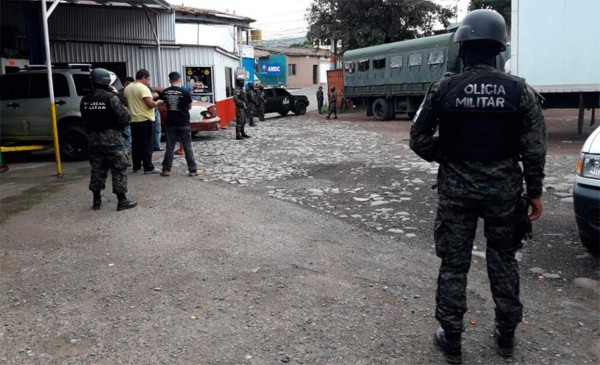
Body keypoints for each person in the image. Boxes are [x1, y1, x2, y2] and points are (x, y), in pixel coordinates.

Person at [408, 9, 547, 364]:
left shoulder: (443, 89)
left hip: (456, 192)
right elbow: (534, 148)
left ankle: (451, 339)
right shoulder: (521, 92)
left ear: (464, 47)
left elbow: (419, 138)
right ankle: (505, 335)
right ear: (499, 48)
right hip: (504, 193)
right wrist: (535, 192)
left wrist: (450, 156)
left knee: (454, 265)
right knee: (504, 261)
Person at [80, 68, 137, 211]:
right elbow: (126, 118)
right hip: (112, 141)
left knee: (97, 169)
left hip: (94, 141)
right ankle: (122, 201)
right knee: (118, 169)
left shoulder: (85, 100)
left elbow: (84, 121)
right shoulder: (111, 98)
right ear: (106, 81)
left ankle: (96, 201)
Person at [158, 71, 199, 177]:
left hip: (170, 122)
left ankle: (166, 169)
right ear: (179, 79)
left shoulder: (165, 92)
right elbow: (189, 107)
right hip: (184, 122)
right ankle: (192, 170)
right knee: (187, 147)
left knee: (170, 147)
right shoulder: (184, 92)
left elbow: (163, 103)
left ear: (169, 80)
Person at [123, 69, 163, 174]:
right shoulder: (143, 88)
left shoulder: (128, 88)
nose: (149, 82)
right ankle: (148, 167)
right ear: (144, 77)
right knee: (147, 145)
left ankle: (136, 166)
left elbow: (126, 103)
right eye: (148, 79)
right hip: (145, 119)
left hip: (133, 119)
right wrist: (158, 102)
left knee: (136, 144)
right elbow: (150, 104)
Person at [118, 76, 134, 156]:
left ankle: (126, 154)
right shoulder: (121, 93)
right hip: (124, 119)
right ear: (124, 84)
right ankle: (125, 156)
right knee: (127, 138)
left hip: (128, 118)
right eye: (128, 84)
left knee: (128, 138)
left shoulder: (128, 92)